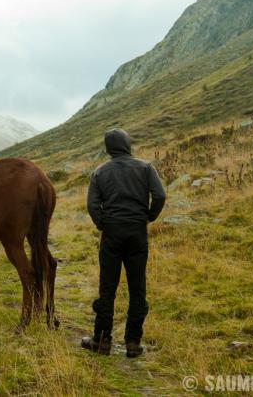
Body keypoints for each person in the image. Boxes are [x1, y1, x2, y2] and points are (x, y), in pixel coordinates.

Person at [81, 128, 166, 358]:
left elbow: (92, 204)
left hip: (112, 233)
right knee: (137, 287)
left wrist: (102, 223)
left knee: (107, 287)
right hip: (137, 232)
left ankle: (101, 341)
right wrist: (148, 216)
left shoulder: (100, 172)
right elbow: (160, 196)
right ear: (127, 144)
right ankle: (133, 343)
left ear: (108, 149)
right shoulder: (145, 167)